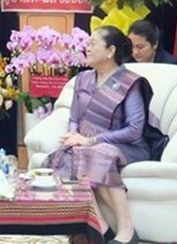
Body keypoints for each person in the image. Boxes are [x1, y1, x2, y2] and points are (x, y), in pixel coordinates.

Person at [44, 26, 154, 244]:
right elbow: (74, 117)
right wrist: (73, 136)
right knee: (62, 157)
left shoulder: (129, 82)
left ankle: (127, 229)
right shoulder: (83, 79)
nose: (87, 48)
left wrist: (90, 140)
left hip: (127, 146)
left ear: (110, 50)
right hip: (87, 145)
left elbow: (134, 130)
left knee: (95, 153)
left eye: (93, 43)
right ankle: (100, 228)